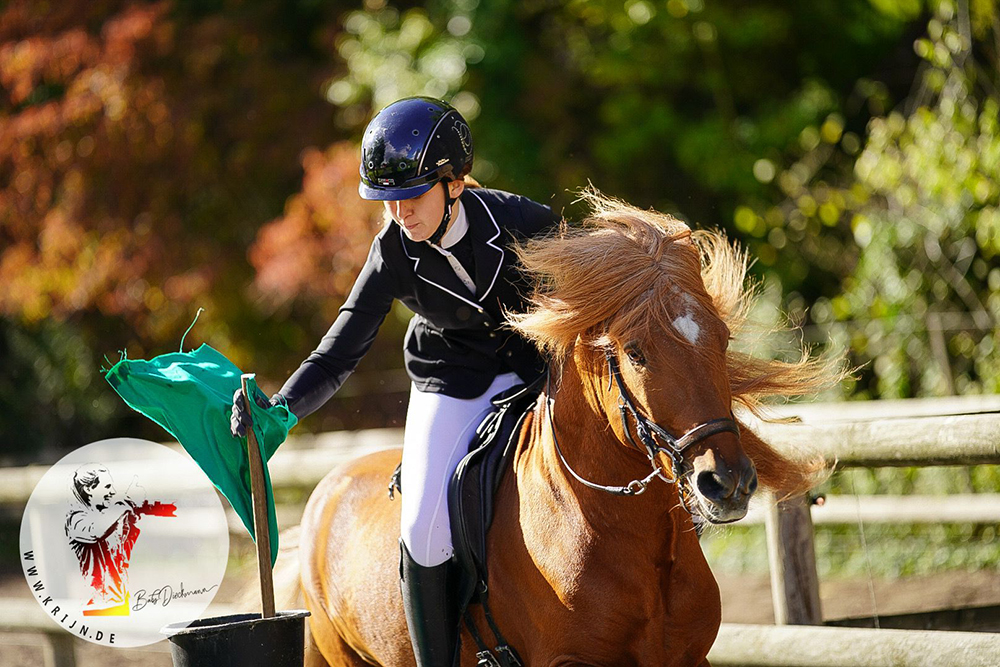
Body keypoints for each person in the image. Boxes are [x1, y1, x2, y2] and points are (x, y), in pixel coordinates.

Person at [230, 96, 561, 666]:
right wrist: (280, 408)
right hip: (452, 384)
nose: (399, 213)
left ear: (453, 182)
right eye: (386, 201)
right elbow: (340, 351)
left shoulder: (523, 222)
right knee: (424, 525)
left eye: (410, 196)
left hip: (535, 371)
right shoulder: (391, 253)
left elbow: (596, 286)